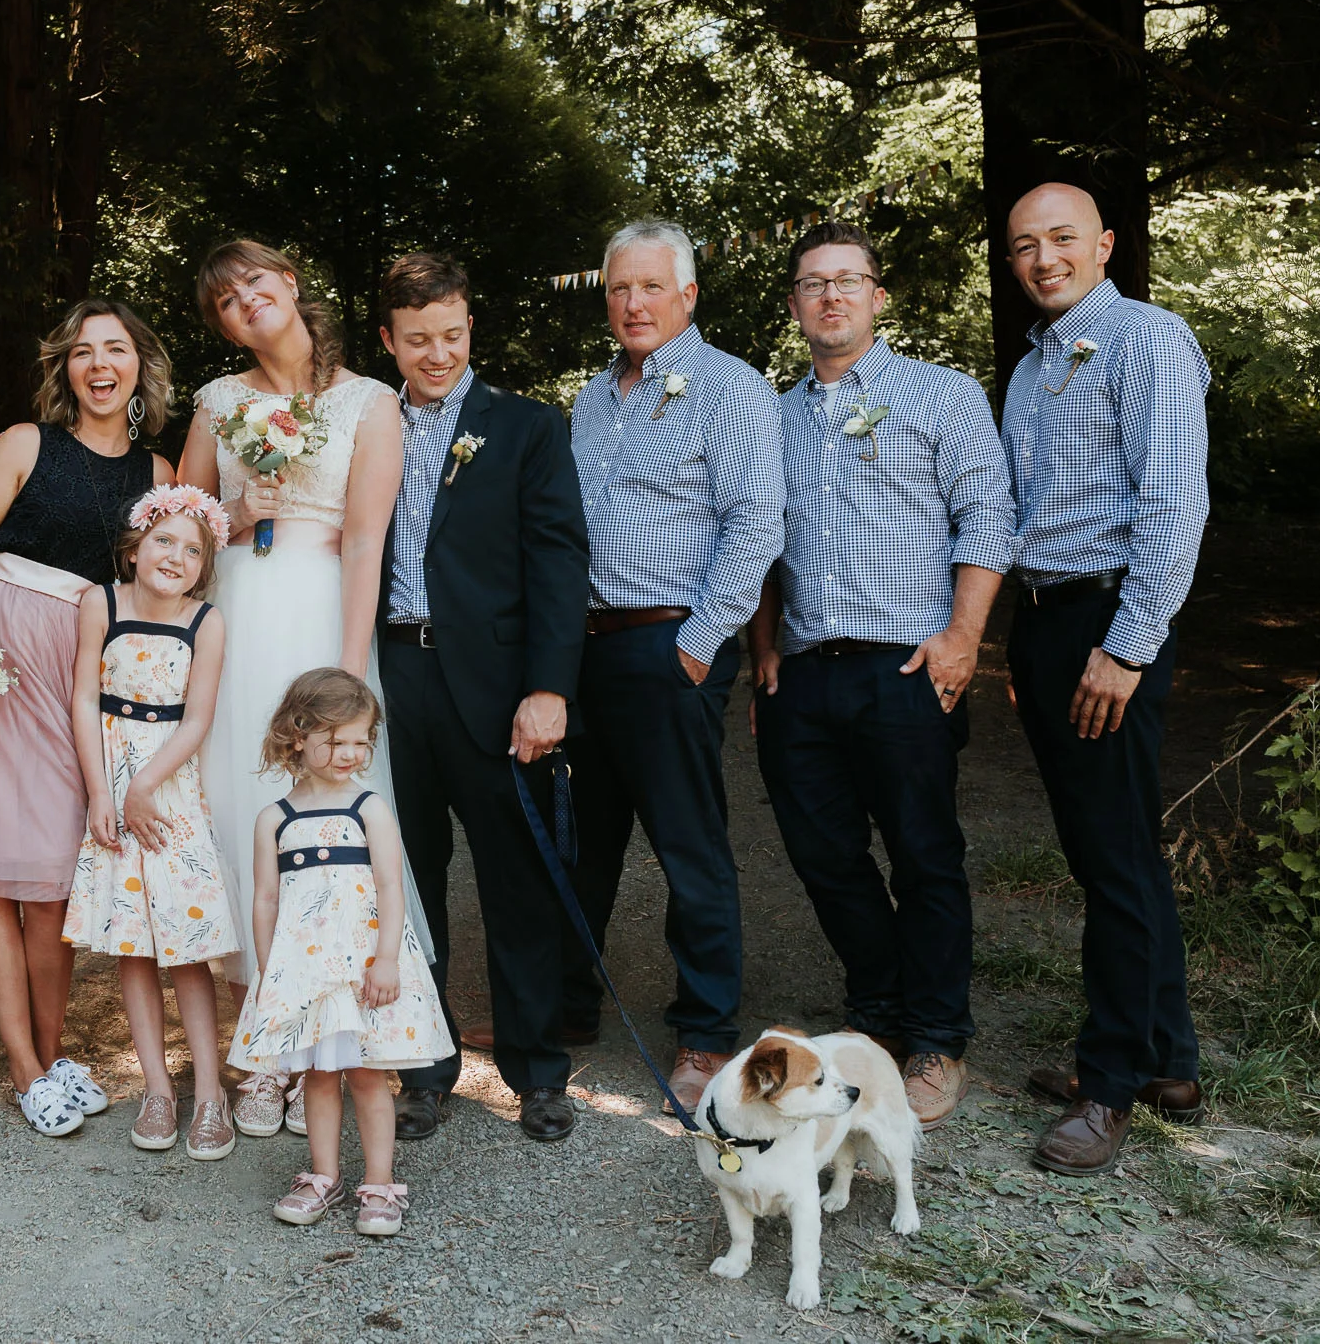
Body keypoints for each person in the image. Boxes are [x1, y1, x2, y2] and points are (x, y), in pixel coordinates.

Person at [747, 220, 1016, 1132]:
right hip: (804, 676)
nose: (831, 296)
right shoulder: (770, 416)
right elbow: (758, 541)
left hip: (907, 667)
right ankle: (879, 1007)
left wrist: (963, 637)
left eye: (848, 281)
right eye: (813, 283)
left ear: (878, 296)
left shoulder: (941, 396)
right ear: (794, 304)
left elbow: (988, 518)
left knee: (924, 853)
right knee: (824, 856)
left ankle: (937, 1036)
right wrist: (764, 648)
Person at [178, 239, 430, 1141]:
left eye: (255, 283)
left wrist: (350, 670)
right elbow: (181, 529)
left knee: (329, 815)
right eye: (226, 301)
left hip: (323, 611)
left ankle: (332, 1031)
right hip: (241, 610)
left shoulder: (370, 402)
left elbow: (365, 541)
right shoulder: (217, 402)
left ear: (289, 282)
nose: (246, 303)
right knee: (243, 802)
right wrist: (238, 513)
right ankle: (262, 1047)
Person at [999, 183, 1210, 1176]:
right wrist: (1020, 639)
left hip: (1108, 622)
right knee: (1109, 848)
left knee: (1114, 861)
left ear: (1103, 244)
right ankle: (1168, 1060)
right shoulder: (1032, 366)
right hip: (1048, 625)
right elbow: (1028, 514)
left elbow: (1171, 506)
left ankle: (1110, 1083)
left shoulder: (1144, 339)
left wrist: (1124, 648)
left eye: (1061, 240)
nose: (1042, 258)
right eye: (1023, 246)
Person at [0, 298, 173, 1136]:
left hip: (81, 667)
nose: (99, 365)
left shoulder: (161, 476)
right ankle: (27, 1068)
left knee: (57, 872)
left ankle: (53, 1046)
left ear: (140, 363)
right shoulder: (26, 446)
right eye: (82, 352)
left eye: (116, 349)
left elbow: (169, 580)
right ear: (65, 367)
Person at [367, 254, 592, 1144]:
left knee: (518, 875)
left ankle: (538, 1071)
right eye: (417, 339)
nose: (437, 355)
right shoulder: (361, 423)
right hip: (391, 675)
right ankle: (423, 1066)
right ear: (388, 339)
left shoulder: (528, 426)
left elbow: (559, 559)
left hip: (498, 684)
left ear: (471, 328)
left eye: (452, 336)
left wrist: (548, 687)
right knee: (406, 876)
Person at [567, 218, 785, 1112]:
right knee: (585, 842)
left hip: (670, 644)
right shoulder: (591, 397)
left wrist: (697, 645)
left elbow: (757, 521)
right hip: (586, 649)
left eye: (652, 287)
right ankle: (565, 1005)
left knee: (687, 844)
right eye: (620, 288)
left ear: (688, 295)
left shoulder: (729, 387)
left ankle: (705, 1032)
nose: (633, 303)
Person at [231, 669, 452, 1237]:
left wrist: (385, 959)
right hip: (305, 974)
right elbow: (263, 899)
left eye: (361, 741)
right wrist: (266, 972)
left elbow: (390, 887)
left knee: (368, 1075)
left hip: (361, 970)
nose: (351, 753)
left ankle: (379, 1185)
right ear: (297, 734)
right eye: (336, 740)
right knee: (318, 1078)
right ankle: (322, 1176)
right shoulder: (274, 820)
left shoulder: (370, 809)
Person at [64, 486, 239, 1155]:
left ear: (203, 568)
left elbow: (197, 718)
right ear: (136, 548)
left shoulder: (207, 622)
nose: (177, 555)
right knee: (132, 943)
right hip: (109, 777)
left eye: (193, 550)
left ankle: (213, 1095)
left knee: (187, 945)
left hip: (169, 787)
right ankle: (159, 1090)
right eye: (165, 540)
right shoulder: (99, 604)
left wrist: (144, 784)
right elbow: (83, 696)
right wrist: (101, 792)